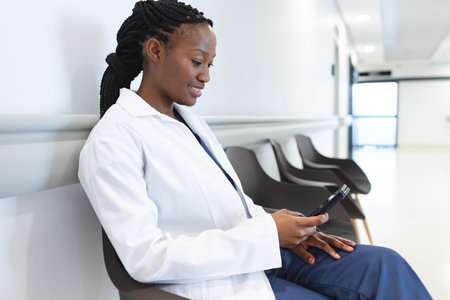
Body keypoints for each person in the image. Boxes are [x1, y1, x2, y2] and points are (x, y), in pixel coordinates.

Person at [78, 1, 432, 299]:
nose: (206, 76)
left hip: (261, 253)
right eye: (198, 61)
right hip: (214, 280)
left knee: (386, 264)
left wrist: (283, 231)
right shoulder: (114, 139)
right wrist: (265, 236)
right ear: (155, 50)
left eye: (209, 65)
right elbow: (145, 258)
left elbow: (231, 203)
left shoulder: (188, 122)